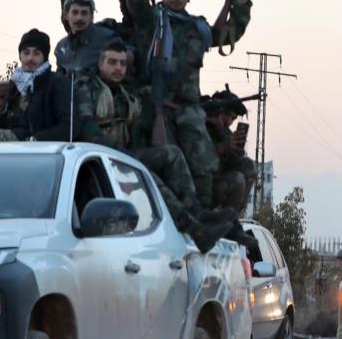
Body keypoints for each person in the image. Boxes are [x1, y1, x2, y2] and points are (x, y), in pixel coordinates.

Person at [126, 0, 252, 207]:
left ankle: (202, 211)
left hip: (188, 106)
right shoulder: (151, 21)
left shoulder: (198, 28)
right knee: (167, 160)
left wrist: (240, 6)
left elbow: (226, 35)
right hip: (155, 100)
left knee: (203, 162)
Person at [74, 41, 233, 252]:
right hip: (98, 157)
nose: (118, 68)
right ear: (101, 64)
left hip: (124, 154)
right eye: (112, 62)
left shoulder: (126, 93)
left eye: (122, 63)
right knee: (146, 175)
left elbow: (138, 126)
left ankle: (197, 211)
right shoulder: (86, 88)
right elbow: (88, 130)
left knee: (172, 154)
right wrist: (124, 153)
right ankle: (194, 230)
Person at [203, 88, 258, 248]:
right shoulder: (201, 127)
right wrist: (221, 148)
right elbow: (201, 163)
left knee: (248, 166)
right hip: (203, 189)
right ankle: (227, 224)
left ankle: (232, 220)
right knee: (237, 180)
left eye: (233, 119)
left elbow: (230, 163)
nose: (229, 122)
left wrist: (236, 152)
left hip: (218, 185)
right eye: (227, 116)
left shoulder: (224, 132)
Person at [13, 29, 77, 141]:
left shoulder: (57, 83)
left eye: (36, 53)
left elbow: (70, 127)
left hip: (44, 151)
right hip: (12, 147)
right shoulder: (15, 84)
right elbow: (4, 121)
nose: (30, 58)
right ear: (20, 56)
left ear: (45, 57)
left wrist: (35, 139)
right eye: (26, 53)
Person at [54, 0, 121, 77]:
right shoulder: (61, 47)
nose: (79, 18)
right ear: (66, 15)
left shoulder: (107, 38)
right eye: (75, 12)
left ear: (92, 16)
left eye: (84, 13)